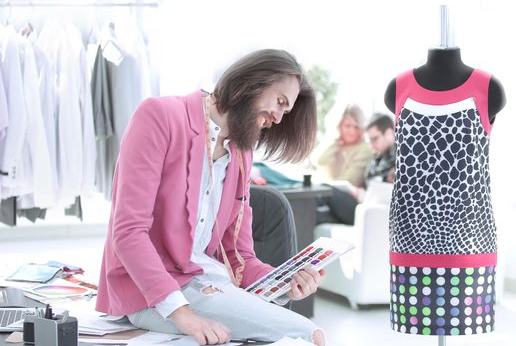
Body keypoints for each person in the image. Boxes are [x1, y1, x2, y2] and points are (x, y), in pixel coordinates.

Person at [95, 49, 327, 346]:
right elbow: (128, 233)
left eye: (287, 111)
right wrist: (183, 314)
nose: (279, 118)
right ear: (251, 82)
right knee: (307, 334)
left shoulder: (241, 153)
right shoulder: (160, 117)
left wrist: (285, 281)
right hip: (147, 293)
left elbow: (240, 256)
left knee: (306, 332)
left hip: (206, 283)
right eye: (280, 102)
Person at [383, 46, 505, 336]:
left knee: (463, 324)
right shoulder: (399, 88)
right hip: (410, 236)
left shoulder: (487, 87)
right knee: (416, 323)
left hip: (470, 238)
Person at [317, 113, 396, 225]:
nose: (371, 145)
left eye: (375, 139)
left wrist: (363, 194)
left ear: (388, 133)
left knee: (325, 190)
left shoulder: (400, 159)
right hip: (363, 206)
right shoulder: (376, 157)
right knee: (314, 214)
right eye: (370, 141)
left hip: (374, 211)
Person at [315, 104, 373, 188]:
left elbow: (349, 180)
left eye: (356, 127)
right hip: (330, 190)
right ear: (339, 126)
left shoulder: (364, 149)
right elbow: (319, 161)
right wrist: (335, 142)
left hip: (349, 195)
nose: (352, 131)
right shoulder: (335, 145)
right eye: (348, 126)